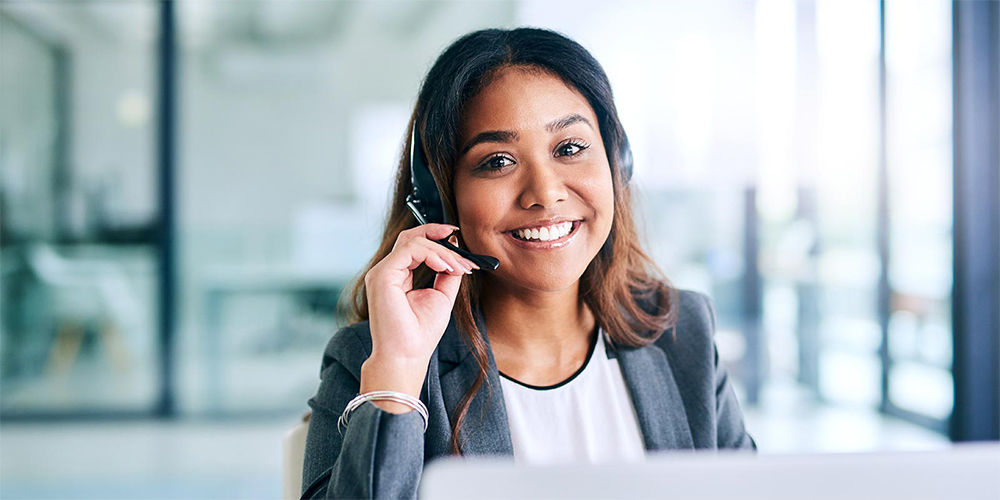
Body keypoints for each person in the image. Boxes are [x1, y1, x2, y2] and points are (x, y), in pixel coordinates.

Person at [301, 27, 756, 500]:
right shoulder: (373, 358)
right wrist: (399, 368)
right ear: (439, 199)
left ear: (617, 165)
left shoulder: (681, 332)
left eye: (570, 148)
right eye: (497, 160)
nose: (545, 193)